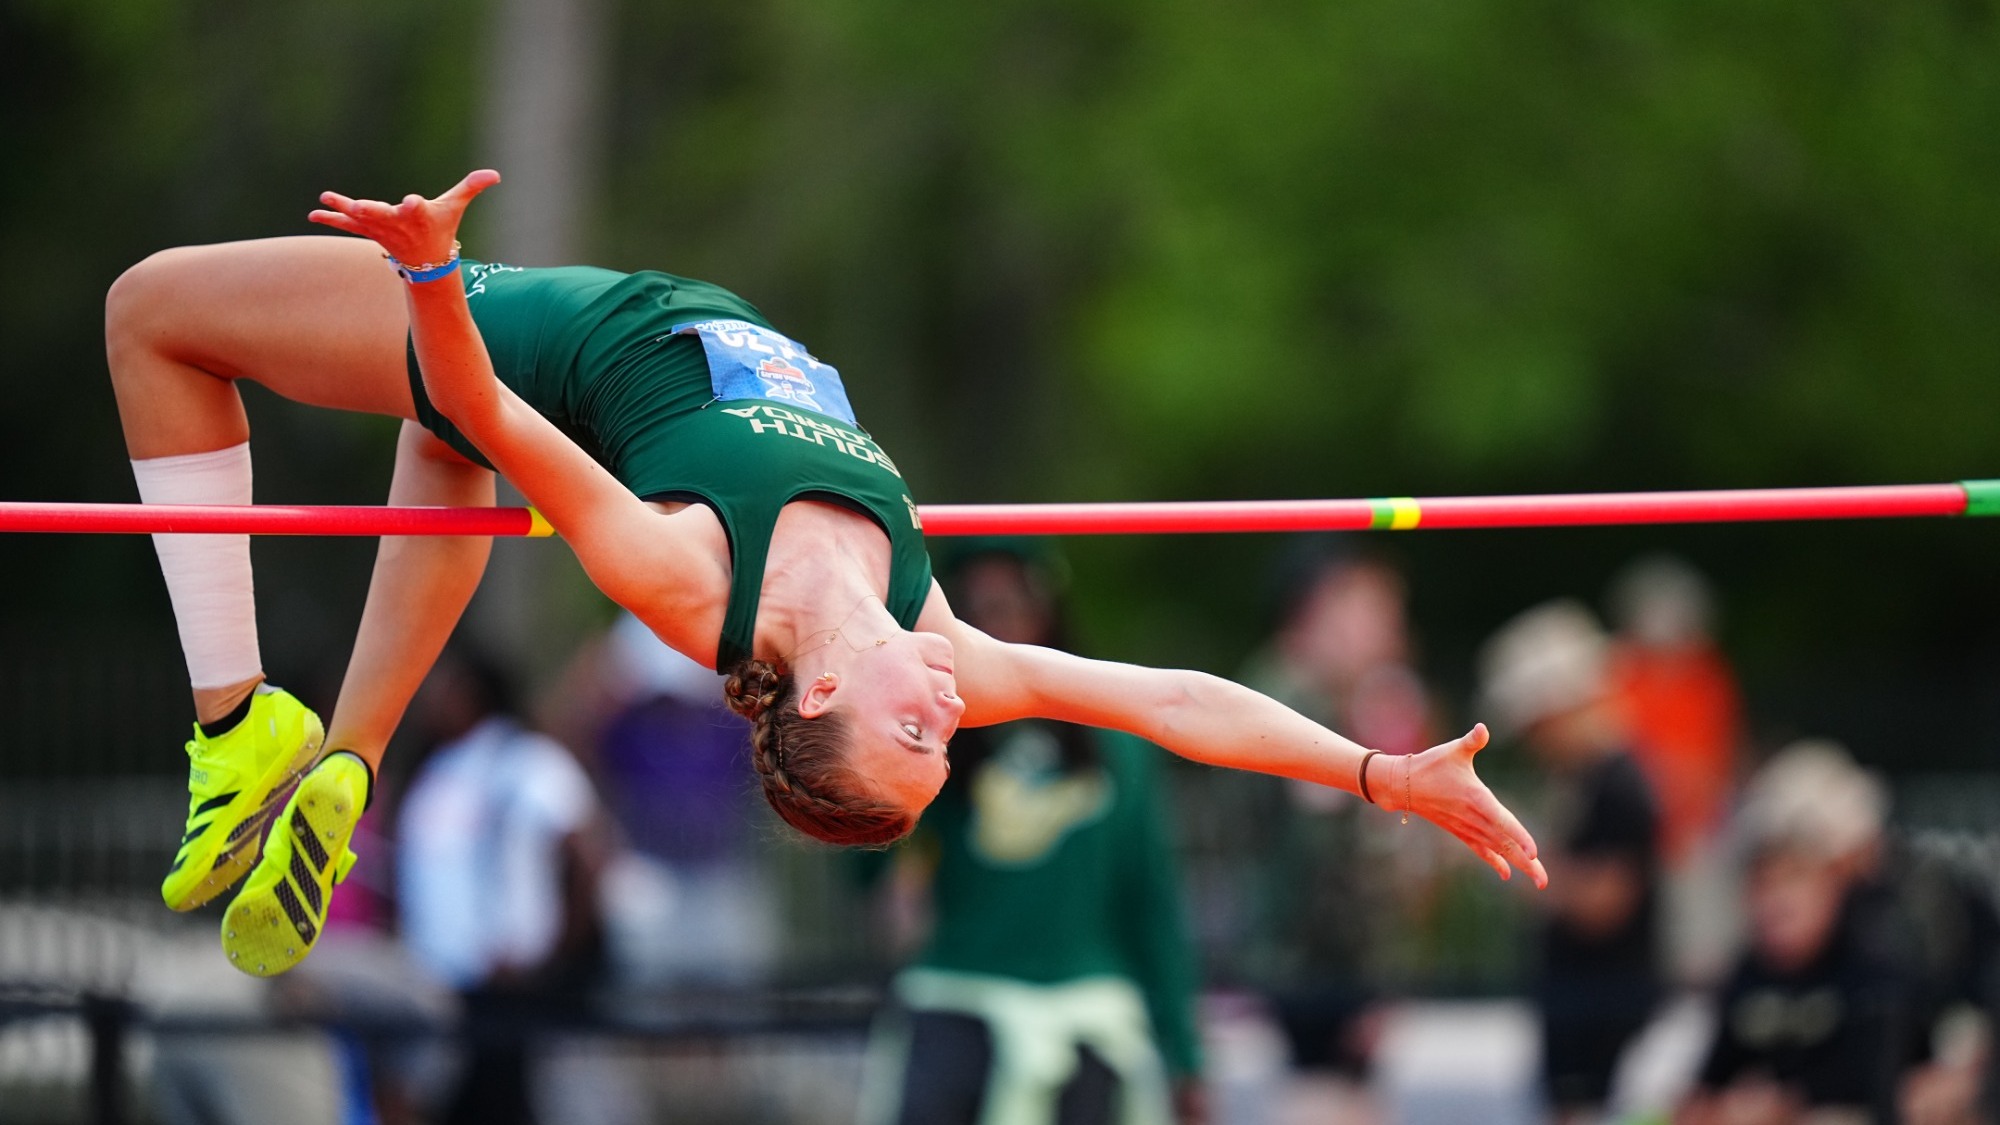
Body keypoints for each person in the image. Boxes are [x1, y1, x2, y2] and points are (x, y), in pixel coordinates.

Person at [107, 169, 1544, 979]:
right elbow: (1173, 700)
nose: (953, 723)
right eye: (948, 747)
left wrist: (431, 276)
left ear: (829, 691)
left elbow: (494, 416)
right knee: (434, 470)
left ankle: (239, 726)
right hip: (567, 360)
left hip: (546, 345)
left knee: (153, 319)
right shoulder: (943, 647)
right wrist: (1377, 770)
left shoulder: (686, 580)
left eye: (914, 739)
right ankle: (347, 759)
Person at [858, 540, 1206, 1125]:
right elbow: (867, 866)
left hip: (1087, 1021)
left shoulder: (1116, 744)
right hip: (957, 1005)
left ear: (1047, 602)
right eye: (981, 599)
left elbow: (1150, 903)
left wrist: (1185, 1055)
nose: (1000, 613)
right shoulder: (930, 735)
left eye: (1013, 593)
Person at [396, 645, 613, 1125]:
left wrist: (554, 955)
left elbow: (586, 856)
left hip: (508, 987)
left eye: (445, 686)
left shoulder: (526, 761)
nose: (431, 698)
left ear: (474, 694)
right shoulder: (435, 770)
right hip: (437, 986)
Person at [1478, 600, 1662, 1123]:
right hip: (1576, 1013)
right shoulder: (1578, 784)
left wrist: (1519, 865)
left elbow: (1607, 901)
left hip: (1610, 1021)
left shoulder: (1621, 785)